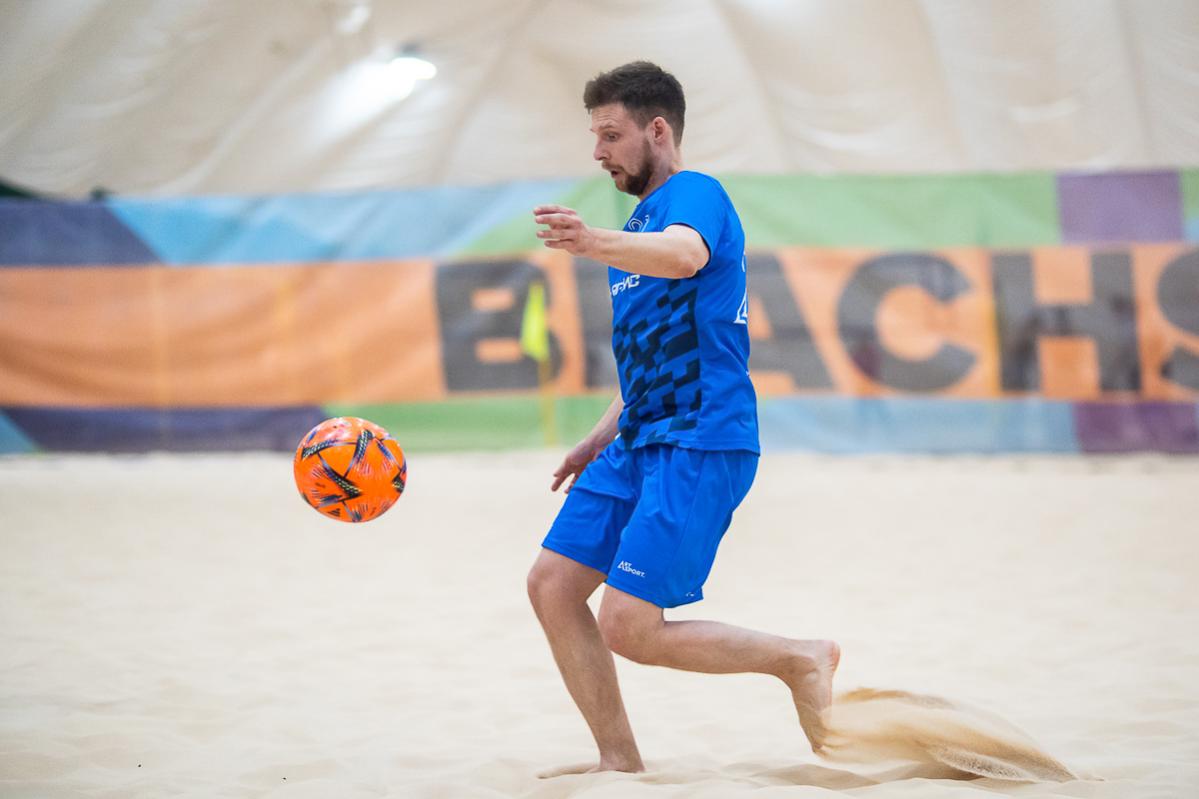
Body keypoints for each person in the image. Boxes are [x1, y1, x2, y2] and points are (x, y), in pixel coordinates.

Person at [526, 61, 839, 775]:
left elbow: (687, 255)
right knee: (551, 585)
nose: (598, 151)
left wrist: (589, 241)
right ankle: (617, 760)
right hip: (637, 438)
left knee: (629, 626)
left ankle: (800, 657)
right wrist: (599, 434)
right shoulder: (635, 229)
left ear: (658, 130)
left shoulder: (695, 194)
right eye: (595, 136)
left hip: (699, 436)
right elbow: (651, 353)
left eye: (611, 135)